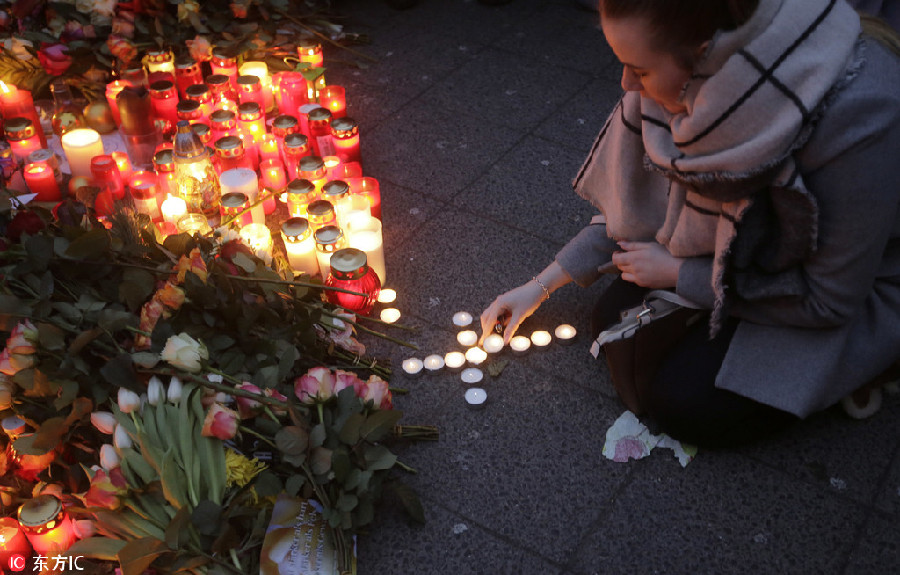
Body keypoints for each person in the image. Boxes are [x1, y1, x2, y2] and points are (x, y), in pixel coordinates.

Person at [479, 0, 900, 447]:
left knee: (685, 405)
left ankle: (878, 365)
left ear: (704, 57)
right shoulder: (696, 85)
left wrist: (684, 275)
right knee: (610, 317)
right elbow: (639, 208)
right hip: (746, 252)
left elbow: (829, 300)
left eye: (638, 70)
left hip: (844, 286)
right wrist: (540, 287)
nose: (626, 85)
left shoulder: (861, 118)